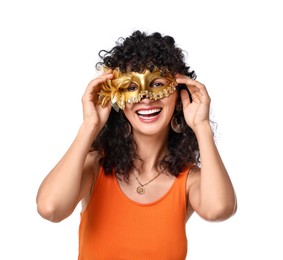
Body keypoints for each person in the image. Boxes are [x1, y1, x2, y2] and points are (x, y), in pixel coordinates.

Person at [36, 30, 237, 259]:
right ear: (116, 98)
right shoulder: (95, 165)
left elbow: (219, 209)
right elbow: (50, 208)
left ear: (180, 95)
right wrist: (90, 126)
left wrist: (201, 126)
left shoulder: (189, 179)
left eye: (158, 84)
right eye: (131, 87)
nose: (146, 98)